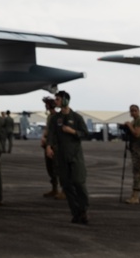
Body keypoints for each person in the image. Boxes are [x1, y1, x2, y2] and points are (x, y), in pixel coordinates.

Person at [45, 90, 89, 224]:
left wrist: (73, 131)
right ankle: (75, 213)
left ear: (65, 100)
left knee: (78, 182)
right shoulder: (55, 119)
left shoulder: (76, 117)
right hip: (62, 155)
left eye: (58, 99)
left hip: (75, 155)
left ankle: (83, 210)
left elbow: (85, 133)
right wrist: (48, 146)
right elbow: (51, 134)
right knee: (66, 184)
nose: (55, 101)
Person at [39, 96, 64, 200]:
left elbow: (56, 132)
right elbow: (47, 129)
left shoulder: (56, 117)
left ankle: (63, 190)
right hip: (48, 144)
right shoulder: (50, 117)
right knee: (50, 168)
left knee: (57, 168)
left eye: (47, 104)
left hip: (54, 145)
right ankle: (54, 188)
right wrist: (44, 137)